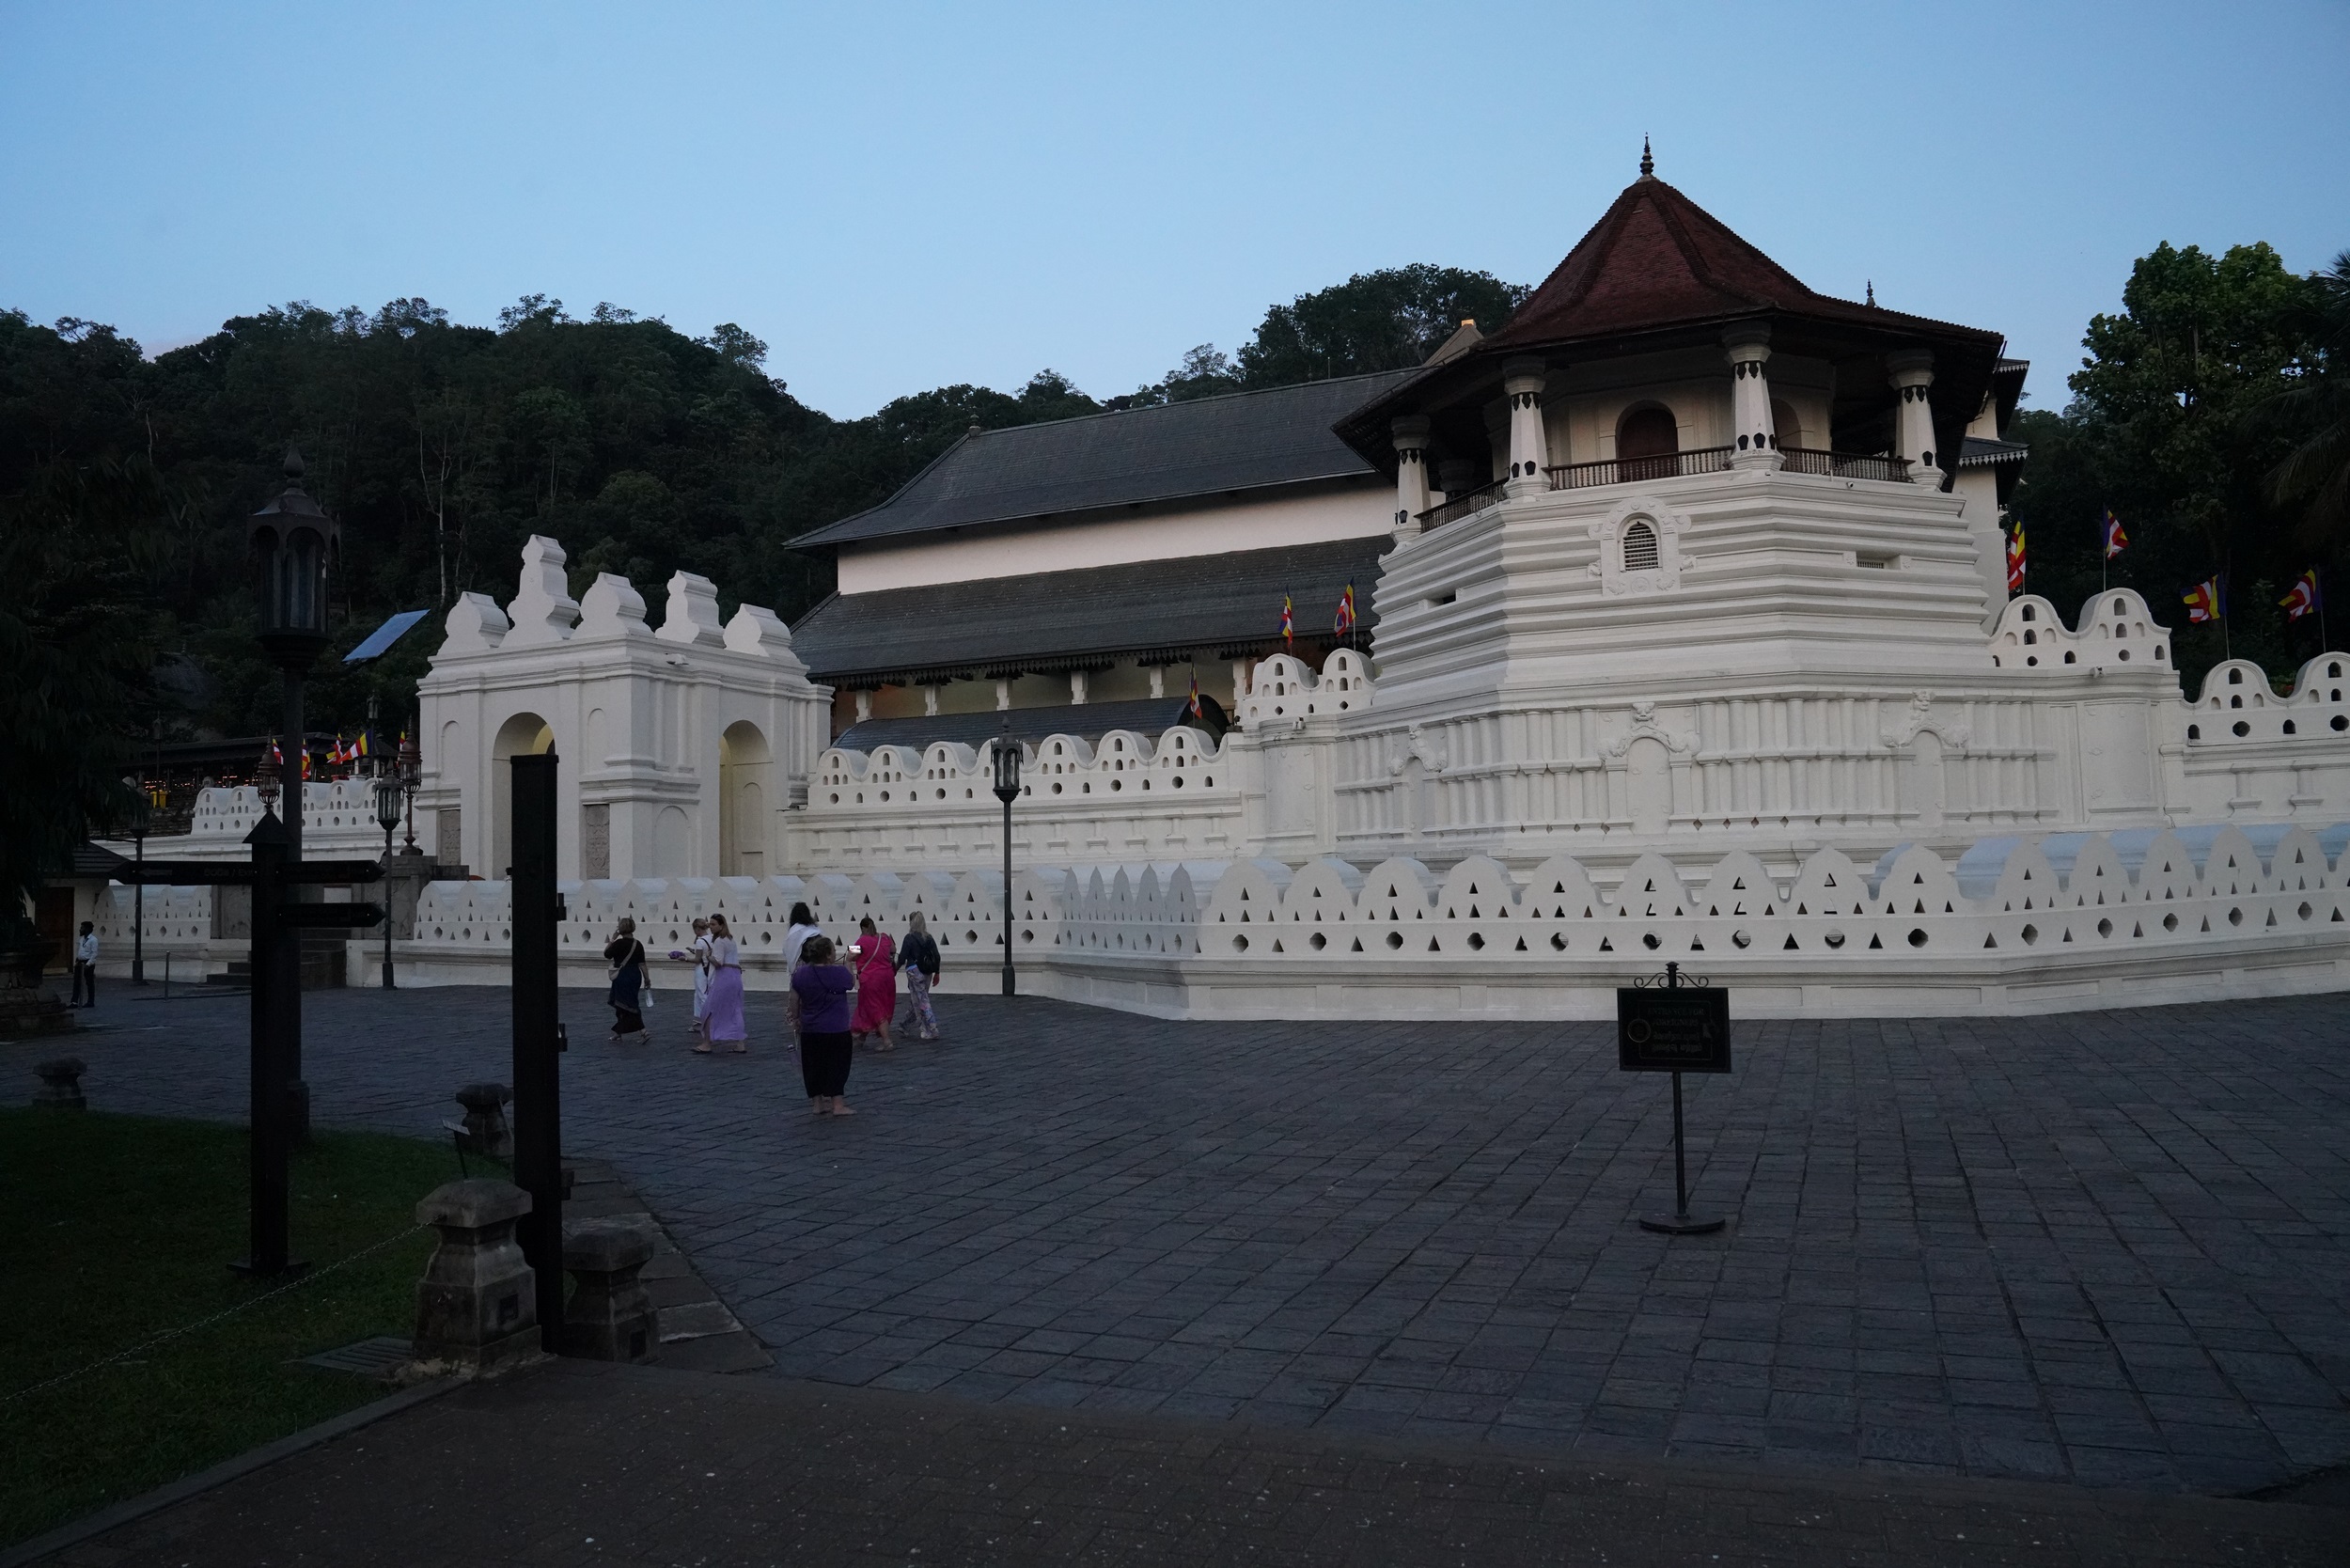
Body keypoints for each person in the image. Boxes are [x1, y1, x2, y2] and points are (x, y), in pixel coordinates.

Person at [791, 936, 857, 1115]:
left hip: (811, 1028)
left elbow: (794, 1000)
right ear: (828, 956)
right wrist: (849, 963)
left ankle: (817, 1104)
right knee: (837, 1065)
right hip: (836, 1028)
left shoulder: (800, 974)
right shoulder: (839, 973)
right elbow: (851, 983)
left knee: (813, 1066)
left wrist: (796, 1018)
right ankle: (838, 1104)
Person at [699, 913, 747, 1055]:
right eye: (710, 924)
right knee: (735, 1009)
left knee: (709, 1009)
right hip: (735, 975)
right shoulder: (730, 939)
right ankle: (740, 1044)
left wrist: (708, 956)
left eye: (714, 924)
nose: (711, 927)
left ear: (721, 925)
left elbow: (718, 962)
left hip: (725, 975)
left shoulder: (720, 941)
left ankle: (707, 1043)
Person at [850, 916, 896, 1051]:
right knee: (875, 1006)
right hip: (887, 977)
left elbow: (849, 956)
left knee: (875, 1007)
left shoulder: (862, 941)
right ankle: (861, 1038)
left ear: (863, 928)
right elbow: (893, 949)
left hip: (871, 979)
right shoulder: (885, 937)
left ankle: (887, 1041)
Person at [780, 902, 822, 1049]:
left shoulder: (794, 932)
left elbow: (788, 950)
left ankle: (798, 1024)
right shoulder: (814, 930)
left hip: (800, 968)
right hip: (817, 968)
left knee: (797, 998)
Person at [898, 910, 942, 1041]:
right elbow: (937, 956)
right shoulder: (929, 938)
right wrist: (937, 973)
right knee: (918, 999)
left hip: (914, 971)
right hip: (927, 971)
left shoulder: (909, 938)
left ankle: (930, 1028)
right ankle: (905, 1024)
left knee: (921, 1001)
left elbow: (902, 957)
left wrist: (894, 969)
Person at [603, 918, 648, 1041]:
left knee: (625, 1003)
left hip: (622, 975)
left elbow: (606, 954)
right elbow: (642, 964)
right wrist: (647, 979)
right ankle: (619, 1032)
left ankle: (643, 1030)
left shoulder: (618, 944)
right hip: (635, 975)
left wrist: (612, 939)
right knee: (627, 1002)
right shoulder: (638, 944)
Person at [669, 917, 713, 1041]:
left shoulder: (700, 941)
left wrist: (685, 958)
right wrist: (693, 951)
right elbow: (704, 954)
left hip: (701, 970)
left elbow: (698, 959)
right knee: (699, 995)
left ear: (697, 929)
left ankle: (707, 1022)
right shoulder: (711, 938)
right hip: (709, 969)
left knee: (701, 995)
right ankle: (698, 1022)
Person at [70, 921, 98, 1009]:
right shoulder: (82, 939)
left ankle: (90, 1001)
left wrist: (88, 964)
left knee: (89, 982)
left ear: (87, 929)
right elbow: (81, 951)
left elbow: (94, 954)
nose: (80, 929)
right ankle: (74, 1002)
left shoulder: (93, 940)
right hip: (80, 962)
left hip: (88, 963)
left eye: (82, 928)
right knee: (76, 982)